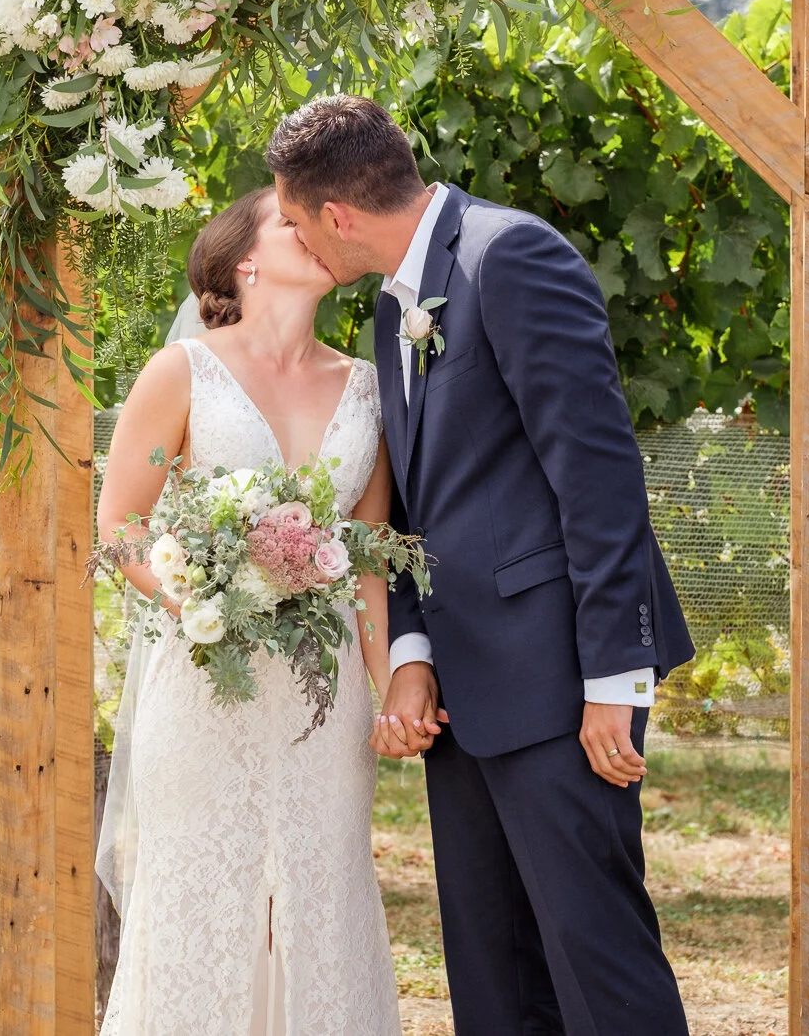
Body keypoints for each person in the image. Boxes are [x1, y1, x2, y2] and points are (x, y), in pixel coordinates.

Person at [267, 95, 694, 1036]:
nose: (299, 242)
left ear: (336, 215)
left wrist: (614, 678)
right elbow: (417, 508)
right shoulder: (392, 312)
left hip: (558, 684)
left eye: (296, 222)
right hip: (463, 700)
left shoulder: (514, 257)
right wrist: (411, 647)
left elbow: (599, 474)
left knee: (600, 964)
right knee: (494, 980)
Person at [94, 187, 402, 1035]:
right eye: (289, 221)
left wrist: (393, 683)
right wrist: (201, 595)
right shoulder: (182, 373)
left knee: (321, 898)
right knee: (201, 899)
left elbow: (369, 559)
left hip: (320, 697)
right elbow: (121, 526)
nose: (313, 230)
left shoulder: (369, 389)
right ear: (245, 259)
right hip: (202, 686)